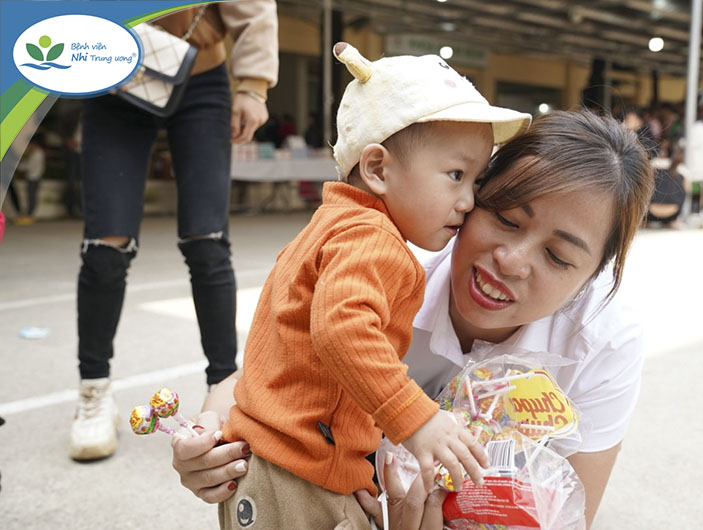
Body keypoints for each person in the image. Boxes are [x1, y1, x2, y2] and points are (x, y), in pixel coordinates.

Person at [172, 109, 655, 529]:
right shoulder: (393, 268)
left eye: (557, 255)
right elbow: (267, 372)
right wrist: (209, 443)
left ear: (593, 275)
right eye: (505, 218)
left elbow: (571, 515)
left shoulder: (600, 338)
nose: (511, 259)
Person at [217, 42, 531, 530]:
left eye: (476, 180)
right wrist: (416, 418)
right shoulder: (371, 238)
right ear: (378, 169)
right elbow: (342, 327)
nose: (469, 200)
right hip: (295, 475)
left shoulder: (332, 225)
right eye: (455, 175)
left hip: (288, 465)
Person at [69, 0, 279, 461]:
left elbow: (253, 7)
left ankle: (224, 394)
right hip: (112, 76)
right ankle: (93, 391)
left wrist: (254, 85)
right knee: (105, 247)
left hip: (200, 74)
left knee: (207, 243)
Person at [10, 133, 46, 226]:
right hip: (34, 177)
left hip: (33, 177)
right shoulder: (38, 153)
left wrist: (17, 166)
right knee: (31, 196)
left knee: (31, 196)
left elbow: (28, 166)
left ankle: (29, 215)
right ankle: (28, 215)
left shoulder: (37, 154)